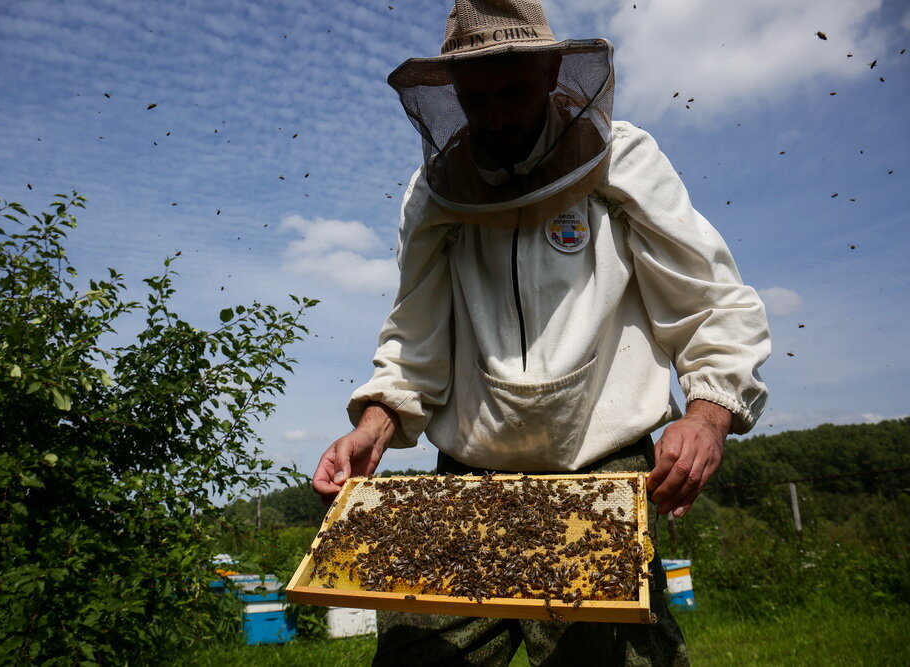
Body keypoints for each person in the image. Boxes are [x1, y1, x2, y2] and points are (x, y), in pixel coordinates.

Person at [312, 1, 770, 664]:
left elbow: (710, 301)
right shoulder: (435, 191)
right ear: (450, 95)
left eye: (515, 92)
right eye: (476, 99)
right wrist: (374, 424)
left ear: (553, 69)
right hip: (466, 479)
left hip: (601, 469)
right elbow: (415, 340)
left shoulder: (625, 159)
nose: (496, 116)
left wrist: (707, 414)